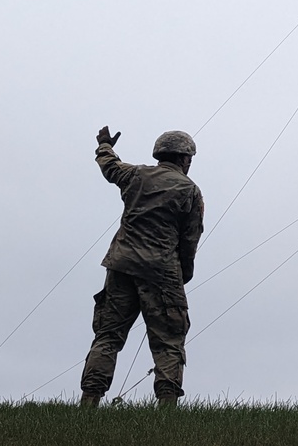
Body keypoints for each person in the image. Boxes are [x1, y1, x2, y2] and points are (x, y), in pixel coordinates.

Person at [79, 127, 204, 408]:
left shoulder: (135, 175)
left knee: (108, 336)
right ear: (185, 159)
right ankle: (167, 407)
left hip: (120, 265)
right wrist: (183, 275)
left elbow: (109, 167)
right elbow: (190, 239)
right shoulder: (190, 191)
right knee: (169, 340)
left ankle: (88, 403)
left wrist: (104, 145)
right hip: (162, 271)